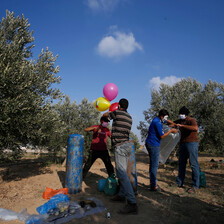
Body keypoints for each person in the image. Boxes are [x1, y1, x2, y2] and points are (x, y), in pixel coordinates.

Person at [103, 98, 138, 215]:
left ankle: (132, 203)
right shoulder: (129, 117)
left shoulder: (117, 113)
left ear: (118, 106)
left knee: (121, 173)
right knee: (123, 172)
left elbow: (106, 116)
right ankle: (122, 195)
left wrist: (106, 111)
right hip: (127, 146)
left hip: (120, 146)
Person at [145, 109, 178, 191]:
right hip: (153, 145)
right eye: (165, 117)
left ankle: (152, 183)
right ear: (161, 116)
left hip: (150, 143)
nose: (165, 119)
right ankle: (153, 185)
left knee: (153, 164)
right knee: (155, 165)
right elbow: (162, 136)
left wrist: (172, 123)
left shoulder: (157, 119)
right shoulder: (158, 123)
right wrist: (171, 130)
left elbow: (166, 121)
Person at [173, 106, 200, 193]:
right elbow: (172, 124)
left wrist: (182, 126)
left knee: (193, 164)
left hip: (192, 143)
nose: (180, 115)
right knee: (181, 163)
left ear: (186, 114)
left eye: (182, 114)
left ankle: (195, 186)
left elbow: (195, 128)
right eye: (180, 114)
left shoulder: (191, 120)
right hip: (183, 144)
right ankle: (179, 183)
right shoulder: (180, 120)